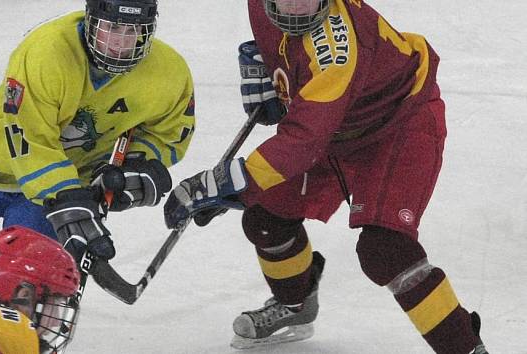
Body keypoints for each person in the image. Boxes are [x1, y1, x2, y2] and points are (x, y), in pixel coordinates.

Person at [164, 0, 488, 353]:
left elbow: (302, 142)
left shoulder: (337, 47)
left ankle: (465, 347)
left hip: (397, 124)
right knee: (266, 219)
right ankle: (295, 306)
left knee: (386, 250)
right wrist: (277, 68)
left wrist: (227, 184)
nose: (297, 6)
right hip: (332, 126)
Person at [0, 0, 195, 294]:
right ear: (91, 20)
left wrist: (138, 166)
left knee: (27, 293)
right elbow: (27, 138)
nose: (120, 42)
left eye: (132, 31)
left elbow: (169, 134)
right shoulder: (46, 51)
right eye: (112, 27)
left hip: (57, 193)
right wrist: (67, 196)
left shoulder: (170, 73)